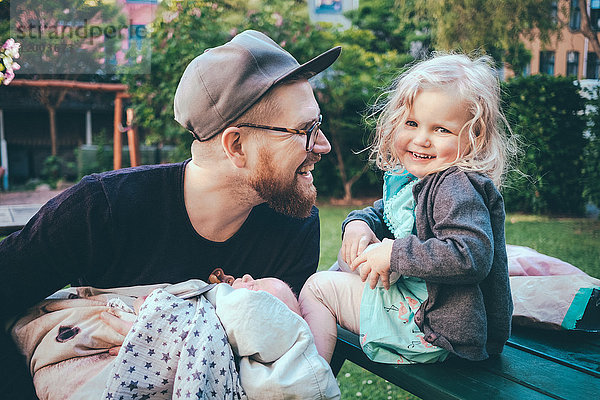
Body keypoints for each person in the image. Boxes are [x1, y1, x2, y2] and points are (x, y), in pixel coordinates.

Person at [0, 30, 341, 398]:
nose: (323, 144)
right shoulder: (103, 208)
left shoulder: (294, 226)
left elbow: (285, 365)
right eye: (306, 129)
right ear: (236, 145)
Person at [299, 53, 515, 364]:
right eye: (412, 123)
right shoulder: (418, 180)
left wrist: (394, 254)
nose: (421, 139)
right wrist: (358, 225)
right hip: (428, 308)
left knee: (318, 288)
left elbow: (470, 255)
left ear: (473, 138)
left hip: (438, 330)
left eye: (441, 129)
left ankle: (310, 378)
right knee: (348, 260)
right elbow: (383, 213)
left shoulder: (456, 184)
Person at [12, 275, 340, 399]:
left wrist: (159, 321)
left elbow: (249, 314)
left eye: (257, 285)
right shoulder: (208, 302)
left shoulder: (253, 316)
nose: (247, 277)